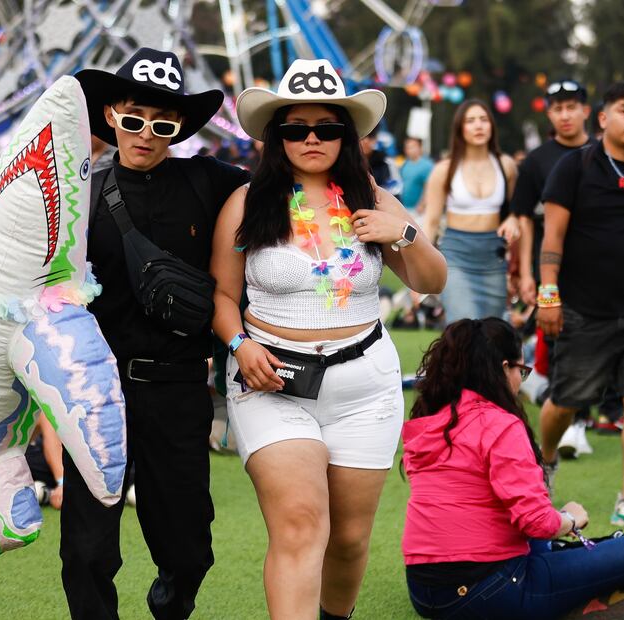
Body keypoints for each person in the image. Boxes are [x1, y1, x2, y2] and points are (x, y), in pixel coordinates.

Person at [214, 59, 446, 620]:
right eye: (296, 128)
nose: (312, 138)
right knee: (300, 524)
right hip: (271, 382)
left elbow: (432, 280)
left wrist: (403, 233)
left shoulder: (372, 197)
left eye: (327, 127)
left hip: (365, 387)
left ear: (347, 135)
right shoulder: (248, 201)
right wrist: (240, 345)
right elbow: (221, 296)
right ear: (277, 136)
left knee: (348, 539)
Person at [63, 47, 251, 620]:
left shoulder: (210, 181)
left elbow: (283, 187)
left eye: (163, 124)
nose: (146, 134)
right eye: (134, 118)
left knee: (189, 548)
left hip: (178, 389)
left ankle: (170, 608)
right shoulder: (79, 195)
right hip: (96, 390)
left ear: (179, 129)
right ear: (111, 115)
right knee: (86, 550)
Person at [402, 317, 624, 619]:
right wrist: (571, 519)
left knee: (540, 544)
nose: (521, 382)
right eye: (522, 371)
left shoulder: (429, 422)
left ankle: (566, 593)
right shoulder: (500, 424)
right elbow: (536, 522)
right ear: (504, 368)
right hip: (489, 589)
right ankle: (570, 602)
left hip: (423, 592)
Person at [537, 81, 624, 528]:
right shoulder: (575, 167)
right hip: (582, 311)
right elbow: (553, 238)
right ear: (603, 118)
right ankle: (546, 461)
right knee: (565, 403)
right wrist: (548, 294)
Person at [510, 80, 597, 459]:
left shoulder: (604, 154)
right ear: (549, 114)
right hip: (553, 270)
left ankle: (578, 419)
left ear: (586, 111)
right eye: (558, 108)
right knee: (564, 343)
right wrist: (528, 275)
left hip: (600, 269)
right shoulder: (537, 161)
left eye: (571, 107)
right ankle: (570, 424)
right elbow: (525, 219)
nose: (565, 115)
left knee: (595, 344)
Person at [423, 99, 520, 323]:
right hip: (456, 256)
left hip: (493, 258)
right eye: (470, 121)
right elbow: (431, 222)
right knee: (463, 328)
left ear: (492, 126)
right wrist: (419, 268)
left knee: (493, 331)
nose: (478, 126)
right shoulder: (444, 169)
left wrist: (516, 265)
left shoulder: (506, 165)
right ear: (460, 128)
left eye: (484, 120)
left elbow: (515, 213)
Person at [360, 128, 401, 196]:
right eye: (363, 137)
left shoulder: (386, 162)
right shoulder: (348, 161)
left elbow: (395, 189)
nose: (366, 141)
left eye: (370, 137)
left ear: (376, 139)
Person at [399, 137, 433, 217]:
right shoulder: (405, 164)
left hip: (419, 210)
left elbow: (429, 186)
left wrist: (422, 204)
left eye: (413, 147)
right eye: (407, 147)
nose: (410, 150)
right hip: (404, 208)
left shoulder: (427, 165)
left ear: (420, 148)